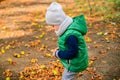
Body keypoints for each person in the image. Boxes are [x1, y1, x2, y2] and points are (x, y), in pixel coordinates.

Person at [45, 2, 88, 80]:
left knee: (66, 78)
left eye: (53, 25)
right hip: (74, 62)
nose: (52, 28)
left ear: (59, 23)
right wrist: (61, 48)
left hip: (75, 63)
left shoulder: (71, 35)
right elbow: (70, 46)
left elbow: (72, 53)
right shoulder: (67, 30)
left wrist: (57, 53)